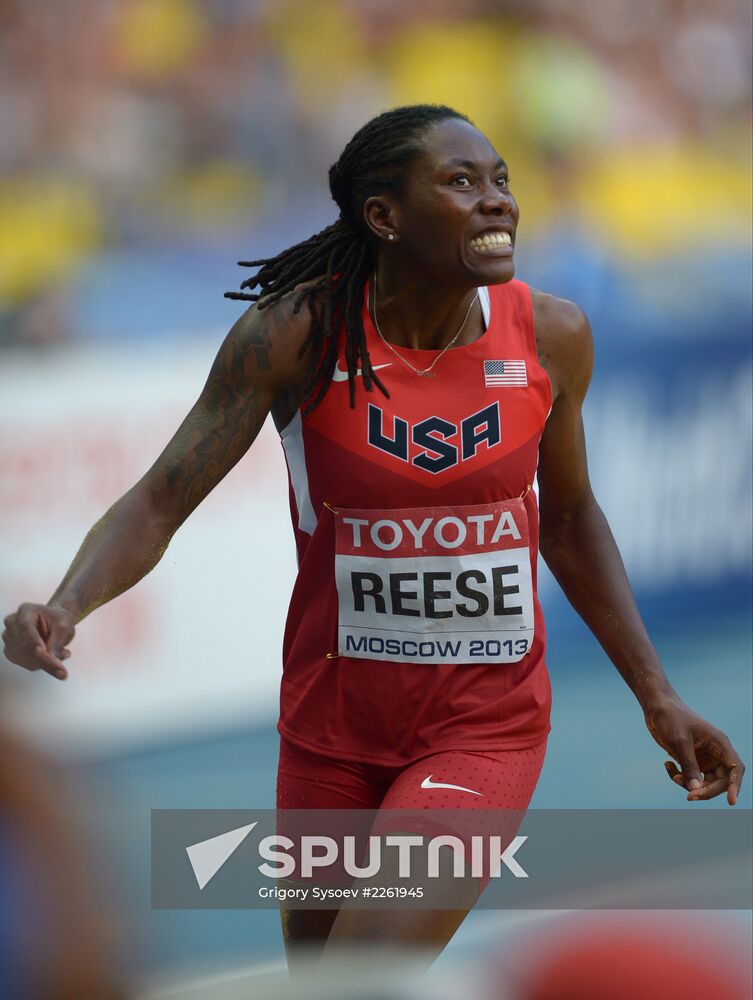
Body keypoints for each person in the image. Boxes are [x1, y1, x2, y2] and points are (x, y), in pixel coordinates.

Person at [2, 105, 745, 971]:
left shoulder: (549, 336)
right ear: (383, 215)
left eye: (500, 180)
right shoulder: (295, 336)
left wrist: (656, 695)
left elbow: (572, 521)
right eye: (460, 183)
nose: (496, 201)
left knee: (362, 976)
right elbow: (163, 496)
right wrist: (65, 603)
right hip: (329, 729)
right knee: (320, 981)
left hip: (484, 727)